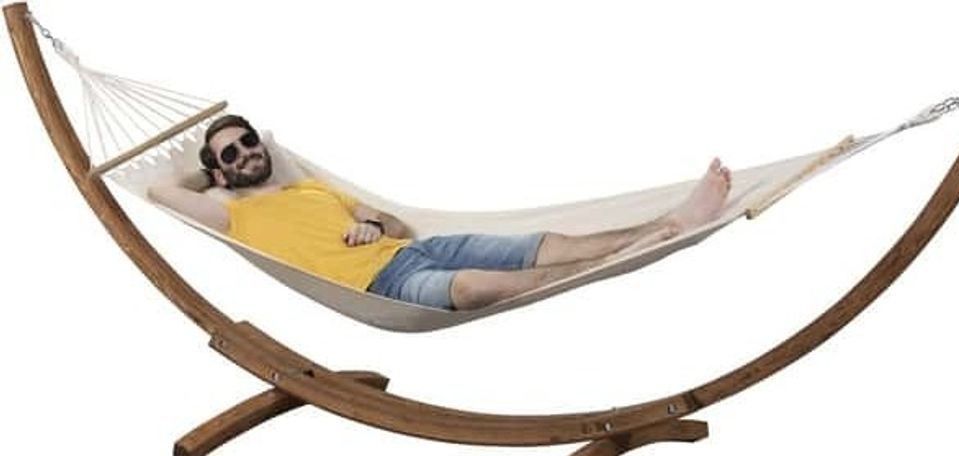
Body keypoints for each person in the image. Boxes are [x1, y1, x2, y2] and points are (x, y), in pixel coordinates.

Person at [148, 115, 732, 311]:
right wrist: (212, 176)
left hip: (417, 248)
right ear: (219, 173)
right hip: (384, 286)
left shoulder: (315, 190)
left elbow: (397, 224)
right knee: (475, 288)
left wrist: (372, 224)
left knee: (548, 242)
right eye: (231, 154)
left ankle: (666, 224)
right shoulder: (234, 218)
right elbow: (161, 190)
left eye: (249, 142)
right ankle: (641, 247)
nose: (247, 153)